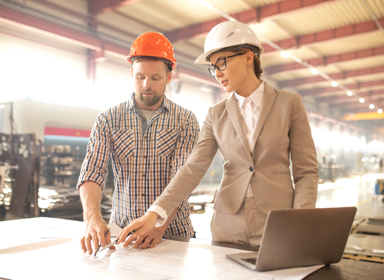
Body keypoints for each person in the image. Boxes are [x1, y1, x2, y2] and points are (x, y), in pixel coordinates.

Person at [117, 21, 319, 247]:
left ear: (248, 57)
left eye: (222, 62)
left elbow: (306, 172)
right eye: (213, 67)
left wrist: (301, 220)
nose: (217, 73)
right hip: (227, 223)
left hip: (278, 220)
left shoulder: (289, 104)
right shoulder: (216, 113)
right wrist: (155, 213)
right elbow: (193, 168)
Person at [77, 32, 200, 254]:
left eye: (155, 78)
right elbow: (92, 172)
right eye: (140, 77)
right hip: (122, 234)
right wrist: (92, 218)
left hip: (172, 234)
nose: (146, 85)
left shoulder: (185, 121)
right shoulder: (108, 119)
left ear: (169, 77)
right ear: (132, 73)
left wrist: (159, 227)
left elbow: (182, 179)